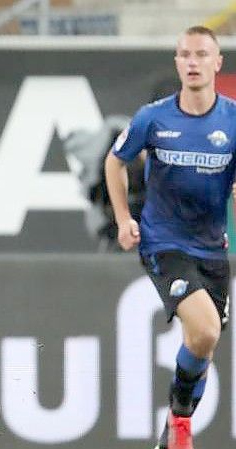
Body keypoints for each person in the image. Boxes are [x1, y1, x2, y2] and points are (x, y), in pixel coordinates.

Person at [104, 25, 234, 449]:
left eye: (201, 54)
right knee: (206, 332)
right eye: (185, 54)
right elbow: (114, 161)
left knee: (201, 346)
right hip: (164, 242)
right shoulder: (154, 117)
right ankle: (180, 424)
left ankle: (171, 429)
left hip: (212, 248)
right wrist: (124, 218)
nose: (192, 62)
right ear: (177, 63)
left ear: (218, 62)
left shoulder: (232, 120)